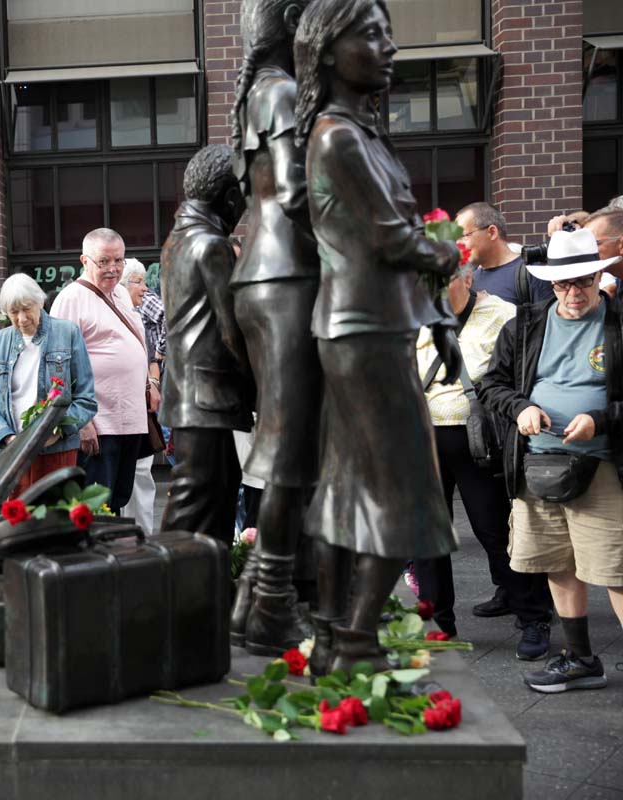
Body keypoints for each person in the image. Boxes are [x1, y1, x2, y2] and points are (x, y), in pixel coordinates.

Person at [294, 0, 461, 673]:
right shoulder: (336, 138)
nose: (389, 46)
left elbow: (401, 234)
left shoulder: (361, 137)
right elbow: (394, 238)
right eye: (371, 34)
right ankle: (355, 637)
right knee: (404, 487)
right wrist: (446, 256)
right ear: (329, 50)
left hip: (371, 325)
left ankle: (340, 633)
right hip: (362, 330)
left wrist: (441, 318)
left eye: (389, 33)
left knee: (350, 484)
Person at [480, 227, 623, 693]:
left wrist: (600, 420)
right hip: (538, 465)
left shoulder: (618, 323)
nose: (572, 293)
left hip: (601, 466)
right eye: (562, 284)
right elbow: (492, 384)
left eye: (581, 281)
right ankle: (581, 659)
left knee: (615, 570)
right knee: (558, 563)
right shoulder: (525, 323)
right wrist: (521, 408)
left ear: (598, 274)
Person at [230, 0, 326, 656]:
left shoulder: (258, 92)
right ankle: (270, 598)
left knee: (285, 438)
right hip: (287, 276)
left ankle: (258, 599)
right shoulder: (284, 90)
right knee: (291, 444)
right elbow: (297, 191)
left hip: (264, 276)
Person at [414, 262, 553, 657]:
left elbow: (522, 372)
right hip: (423, 441)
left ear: (468, 279)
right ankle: (437, 625)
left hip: (480, 440)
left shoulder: (502, 314)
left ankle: (532, 618)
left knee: (496, 532)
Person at [159, 144, 253, 540]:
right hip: (208, 395)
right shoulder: (212, 244)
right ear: (230, 198)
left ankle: (204, 580)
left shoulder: (176, 240)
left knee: (218, 488)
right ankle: (166, 581)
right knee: (197, 496)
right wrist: (259, 385)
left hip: (187, 391)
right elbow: (233, 330)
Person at [50, 229, 153, 513]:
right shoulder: (71, 299)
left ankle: (113, 554)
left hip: (129, 420)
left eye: (118, 260)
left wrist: (149, 382)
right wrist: (80, 422)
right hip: (98, 424)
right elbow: (57, 367)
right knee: (95, 506)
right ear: (85, 261)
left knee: (118, 498)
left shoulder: (121, 292)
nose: (113, 269)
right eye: (104, 261)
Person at [0, 273, 97, 494]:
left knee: (55, 517)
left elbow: (86, 398)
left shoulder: (67, 333)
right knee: (15, 521)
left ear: (39, 302)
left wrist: (57, 432)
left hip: (57, 449)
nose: (21, 318)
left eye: (27, 308)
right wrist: (8, 438)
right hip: (10, 454)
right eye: (13, 312)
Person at [121, 258, 164, 534]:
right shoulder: (120, 316)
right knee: (131, 479)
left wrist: (153, 382)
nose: (145, 288)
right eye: (138, 282)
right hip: (121, 413)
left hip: (141, 411)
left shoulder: (137, 317)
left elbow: (150, 360)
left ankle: (144, 536)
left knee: (142, 476)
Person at [456, 202, 555, 306]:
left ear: (492, 232)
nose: (458, 244)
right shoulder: (469, 280)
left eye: (464, 236)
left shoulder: (533, 274)